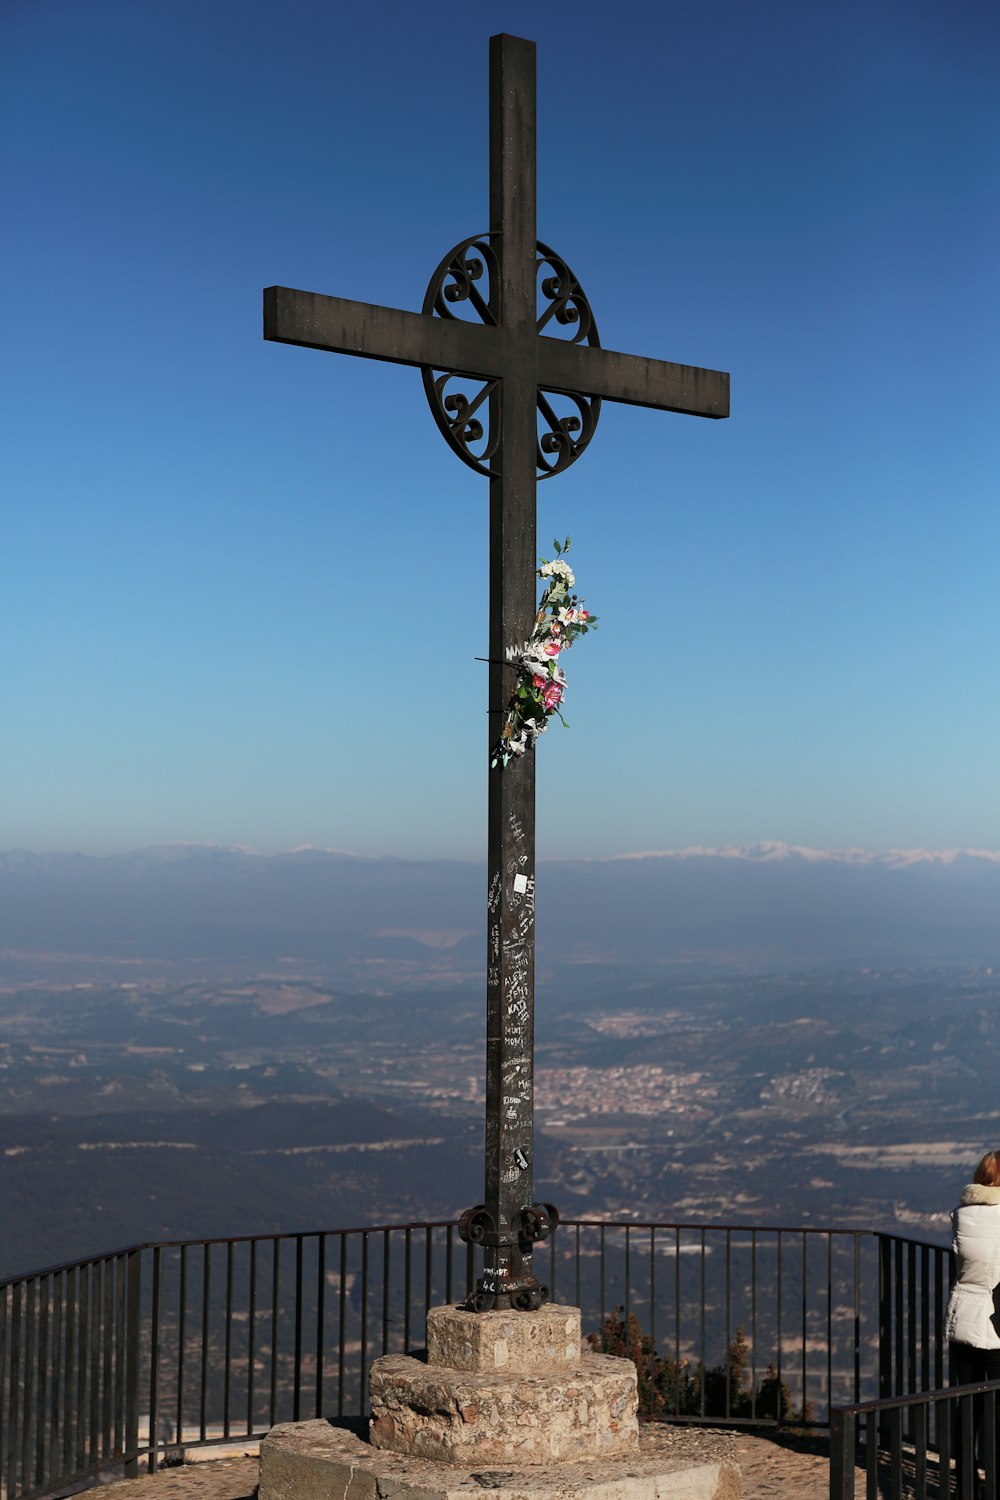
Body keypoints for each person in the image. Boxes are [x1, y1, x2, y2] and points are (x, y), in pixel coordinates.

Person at [945, 1150, 1000, 1495]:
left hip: (961, 1316)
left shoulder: (961, 1214)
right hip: (994, 1325)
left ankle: (965, 1485)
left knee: (967, 1406)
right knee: (997, 1411)